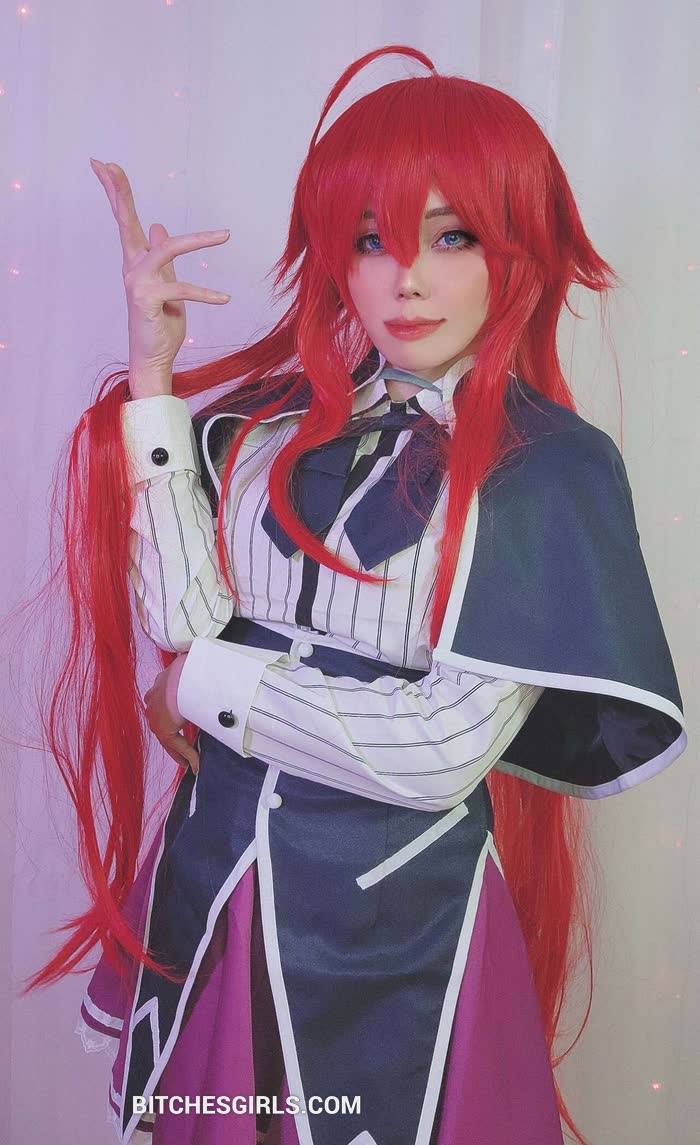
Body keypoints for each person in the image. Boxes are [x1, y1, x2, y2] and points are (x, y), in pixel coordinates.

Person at [20, 44, 686, 1145]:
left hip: (394, 930)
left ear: (519, 244)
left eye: (450, 236)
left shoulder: (548, 471)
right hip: (216, 887)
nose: (404, 280)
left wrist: (202, 685)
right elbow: (183, 619)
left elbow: (435, 752)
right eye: (371, 240)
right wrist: (153, 378)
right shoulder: (274, 426)